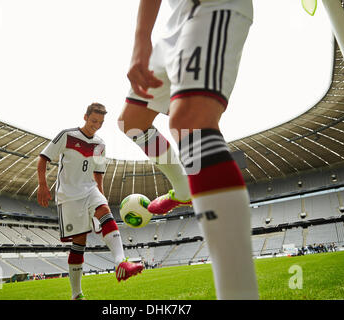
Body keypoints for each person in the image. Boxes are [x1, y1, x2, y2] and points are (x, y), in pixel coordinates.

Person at [118, 0, 258, 299]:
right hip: (175, 22)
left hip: (214, 5)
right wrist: (142, 37)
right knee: (131, 122)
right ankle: (182, 188)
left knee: (191, 122)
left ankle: (238, 294)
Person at [37, 103, 143, 300]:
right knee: (79, 243)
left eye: (101, 122)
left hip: (90, 189)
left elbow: (99, 173)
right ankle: (76, 295)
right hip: (68, 196)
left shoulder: (101, 144)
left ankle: (121, 262)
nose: (97, 125)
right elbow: (43, 159)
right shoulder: (67, 135)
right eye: (94, 121)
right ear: (85, 116)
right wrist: (42, 185)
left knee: (106, 212)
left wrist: (100, 197)